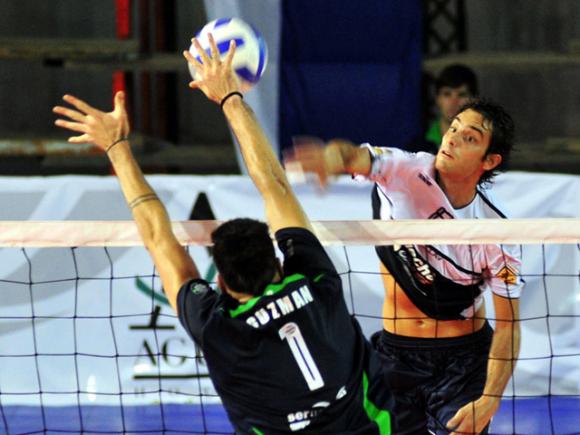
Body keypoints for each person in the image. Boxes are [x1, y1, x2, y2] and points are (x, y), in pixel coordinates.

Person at [53, 35, 392, 434]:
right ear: (279, 264)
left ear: (222, 283)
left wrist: (116, 146)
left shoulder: (217, 330)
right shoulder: (317, 285)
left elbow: (158, 237)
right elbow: (275, 187)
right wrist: (230, 97)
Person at [287, 99, 523, 434]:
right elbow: (354, 155)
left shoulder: (497, 230)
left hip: (464, 362)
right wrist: (331, 156)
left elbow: (509, 327)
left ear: (490, 160)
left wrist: (490, 400)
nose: (452, 139)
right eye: (453, 128)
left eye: (469, 137)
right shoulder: (404, 170)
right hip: (396, 358)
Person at [411, 64, 479, 154]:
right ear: (437, 98)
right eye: (447, 94)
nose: (453, 102)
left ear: (474, 100)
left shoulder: (486, 147)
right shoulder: (416, 148)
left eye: (461, 95)